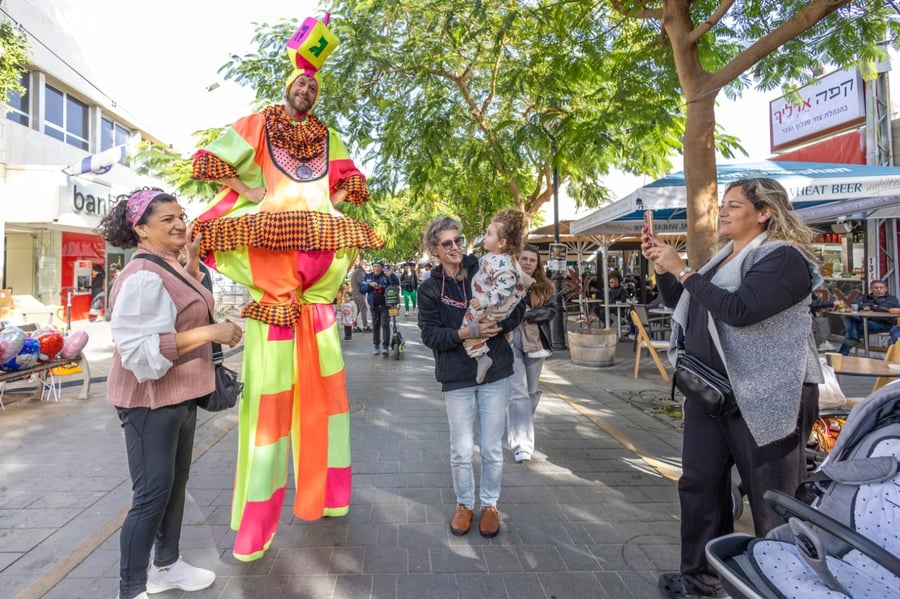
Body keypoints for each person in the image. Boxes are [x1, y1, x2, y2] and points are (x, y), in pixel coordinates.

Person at [190, 15, 382, 562]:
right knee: (271, 408)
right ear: (287, 85)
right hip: (274, 279)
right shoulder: (259, 122)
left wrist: (329, 210)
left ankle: (329, 496)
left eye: (314, 86)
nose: (307, 89)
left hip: (318, 286)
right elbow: (212, 160)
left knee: (328, 401)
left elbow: (351, 181)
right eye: (301, 82)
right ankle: (257, 524)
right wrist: (247, 185)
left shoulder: (329, 135)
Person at [643, 177, 823, 599]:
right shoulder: (722, 259)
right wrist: (666, 270)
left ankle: (783, 587)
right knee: (700, 485)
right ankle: (701, 582)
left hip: (768, 395)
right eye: (723, 204)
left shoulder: (785, 259)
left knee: (772, 499)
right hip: (712, 393)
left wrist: (683, 269)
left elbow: (740, 311)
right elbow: (685, 301)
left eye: (734, 205)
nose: (722, 211)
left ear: (765, 213)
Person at [98, 188, 243, 599]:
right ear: (141, 230)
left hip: (180, 398)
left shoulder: (168, 265)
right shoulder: (143, 275)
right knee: (150, 497)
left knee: (175, 486)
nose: (180, 224)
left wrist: (194, 261)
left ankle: (167, 565)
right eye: (167, 220)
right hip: (149, 404)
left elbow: (181, 303)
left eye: (182, 215)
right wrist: (212, 332)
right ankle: (131, 588)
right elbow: (139, 351)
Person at [417, 216, 525, 539]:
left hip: (495, 372)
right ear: (435, 249)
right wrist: (464, 333)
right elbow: (431, 335)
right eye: (447, 243)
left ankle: (489, 504)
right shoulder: (430, 288)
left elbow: (516, 303)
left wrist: (499, 326)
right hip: (456, 376)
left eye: (458, 240)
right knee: (461, 449)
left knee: (492, 447)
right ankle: (464, 503)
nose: (456, 248)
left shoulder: (485, 265)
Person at [463, 208, 532, 384]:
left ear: (501, 242)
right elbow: (518, 276)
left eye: (489, 234)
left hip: (491, 307)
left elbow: (504, 287)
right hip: (492, 306)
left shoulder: (503, 263)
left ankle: (481, 357)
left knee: (469, 326)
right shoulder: (497, 257)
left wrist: (483, 301)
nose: (485, 237)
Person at [506, 244, 556, 463]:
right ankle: (522, 445)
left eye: (532, 260)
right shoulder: (507, 281)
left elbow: (550, 312)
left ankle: (520, 421)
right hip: (511, 339)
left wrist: (525, 315)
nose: (527, 263)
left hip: (535, 341)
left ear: (538, 264)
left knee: (531, 391)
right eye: (524, 259)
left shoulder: (546, 287)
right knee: (517, 391)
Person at [837, 279, 900, 355]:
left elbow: (883, 308)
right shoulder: (865, 297)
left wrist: (868, 306)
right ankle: (854, 337)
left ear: (886, 289)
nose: (878, 290)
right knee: (848, 317)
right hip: (863, 320)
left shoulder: (892, 299)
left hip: (882, 323)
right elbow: (854, 305)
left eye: (881, 287)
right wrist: (872, 307)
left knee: (857, 328)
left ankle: (843, 352)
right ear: (871, 289)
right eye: (876, 288)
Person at [361, 260, 399, 355]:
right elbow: (361, 289)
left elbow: (395, 284)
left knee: (385, 325)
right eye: (375, 266)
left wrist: (391, 275)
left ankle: (385, 347)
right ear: (372, 267)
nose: (376, 268)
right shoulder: (368, 276)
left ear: (382, 267)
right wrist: (370, 285)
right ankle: (376, 346)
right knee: (375, 326)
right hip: (374, 306)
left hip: (385, 306)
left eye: (378, 266)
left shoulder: (386, 275)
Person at [350, 259, 370, 332]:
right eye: (366, 265)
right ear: (362, 265)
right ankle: (365, 326)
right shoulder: (359, 271)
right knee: (363, 309)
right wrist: (368, 284)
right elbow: (360, 281)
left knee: (357, 310)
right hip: (359, 293)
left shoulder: (356, 271)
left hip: (355, 293)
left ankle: (354, 326)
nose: (366, 266)